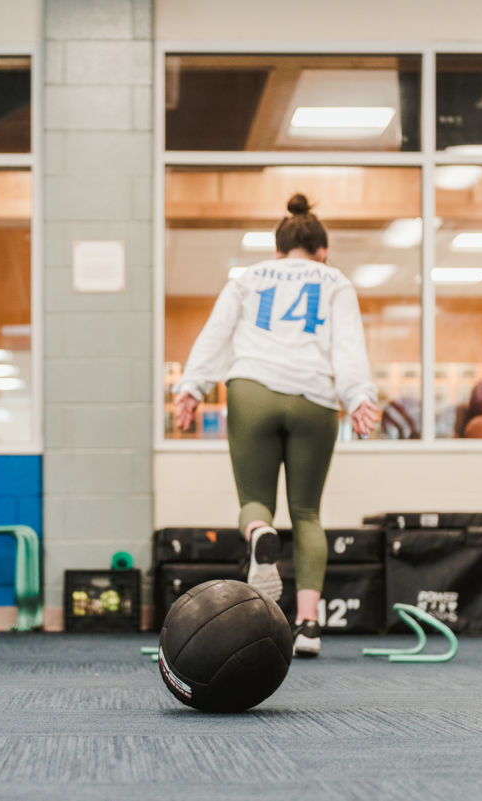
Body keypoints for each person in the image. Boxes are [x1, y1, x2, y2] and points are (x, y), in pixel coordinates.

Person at [172, 194, 380, 658]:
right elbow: (348, 346)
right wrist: (361, 396)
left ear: (277, 250)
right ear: (323, 250)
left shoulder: (247, 278)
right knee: (307, 513)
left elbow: (216, 334)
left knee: (254, 502)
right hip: (314, 397)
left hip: (252, 390)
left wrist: (190, 388)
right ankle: (308, 627)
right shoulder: (335, 280)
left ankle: (261, 535)